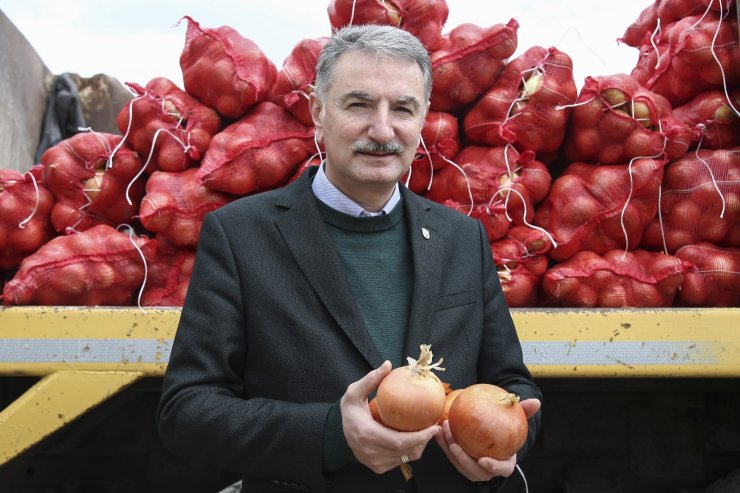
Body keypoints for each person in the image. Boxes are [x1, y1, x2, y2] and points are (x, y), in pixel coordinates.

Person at [156, 24, 542, 493]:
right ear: (318, 112)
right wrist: (332, 434)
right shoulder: (240, 235)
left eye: (402, 108)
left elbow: (511, 384)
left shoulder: (462, 238)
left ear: (423, 120)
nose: (382, 130)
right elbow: (187, 411)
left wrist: (509, 444)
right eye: (358, 104)